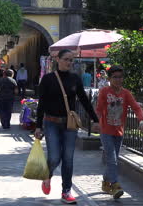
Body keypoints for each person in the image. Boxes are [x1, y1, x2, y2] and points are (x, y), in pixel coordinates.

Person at [34, 49, 100, 204]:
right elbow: (41, 104)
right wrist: (38, 126)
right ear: (58, 59)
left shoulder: (75, 79)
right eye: (66, 59)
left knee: (68, 158)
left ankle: (66, 191)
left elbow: (84, 100)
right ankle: (47, 175)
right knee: (54, 157)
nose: (69, 63)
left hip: (69, 125)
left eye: (72, 60)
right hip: (51, 123)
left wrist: (95, 119)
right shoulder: (48, 79)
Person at [97, 65, 143, 199]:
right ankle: (115, 185)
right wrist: (96, 122)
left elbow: (136, 107)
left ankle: (106, 182)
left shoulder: (126, 93)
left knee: (113, 160)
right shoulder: (104, 92)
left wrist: (141, 120)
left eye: (120, 77)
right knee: (112, 159)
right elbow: (99, 109)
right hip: (106, 131)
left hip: (119, 132)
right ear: (109, 78)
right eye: (115, 77)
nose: (118, 80)